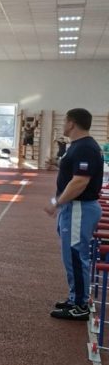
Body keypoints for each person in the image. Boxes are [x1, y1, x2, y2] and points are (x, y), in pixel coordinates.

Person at [43, 108, 104, 321]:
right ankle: (75, 298)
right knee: (72, 256)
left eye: (64, 122)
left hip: (80, 207)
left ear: (72, 123)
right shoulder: (79, 146)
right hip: (75, 207)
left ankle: (79, 305)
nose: (63, 125)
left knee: (76, 257)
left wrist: (57, 202)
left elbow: (80, 181)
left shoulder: (85, 147)